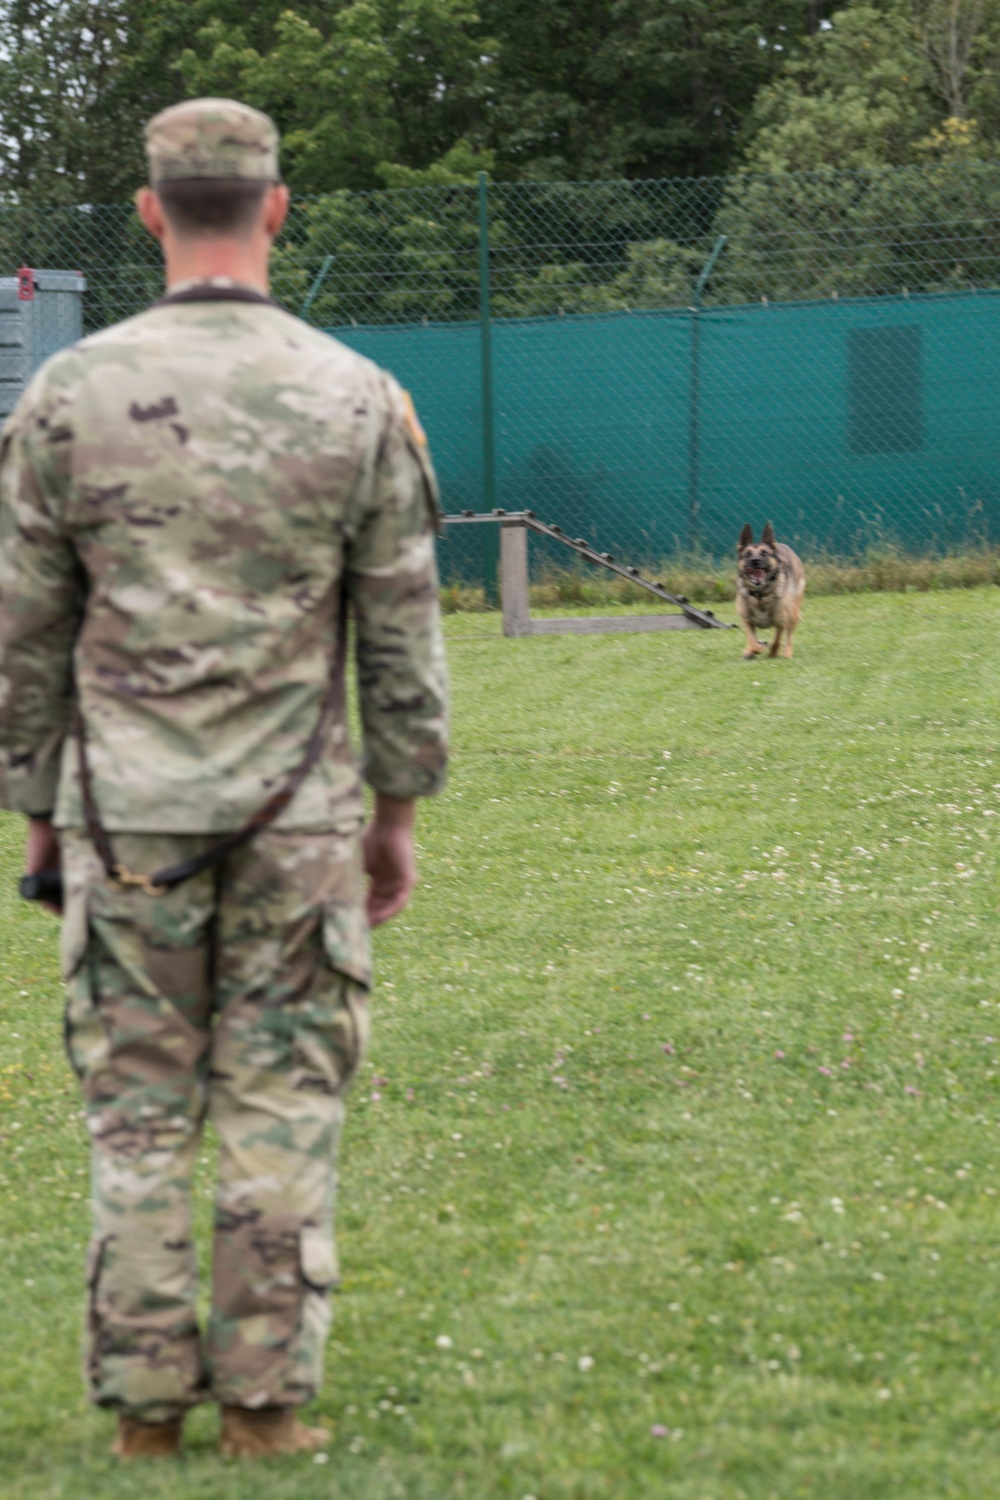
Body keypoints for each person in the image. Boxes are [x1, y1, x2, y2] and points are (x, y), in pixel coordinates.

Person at [0, 98, 448, 1461]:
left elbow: (26, 631)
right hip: (298, 820)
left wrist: (35, 814)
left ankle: (143, 1410)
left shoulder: (66, 395)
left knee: (135, 1115)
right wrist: (396, 811)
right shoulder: (355, 393)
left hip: (123, 818)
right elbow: (402, 630)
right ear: (275, 208)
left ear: (149, 212)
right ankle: (265, 1404)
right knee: (280, 1098)